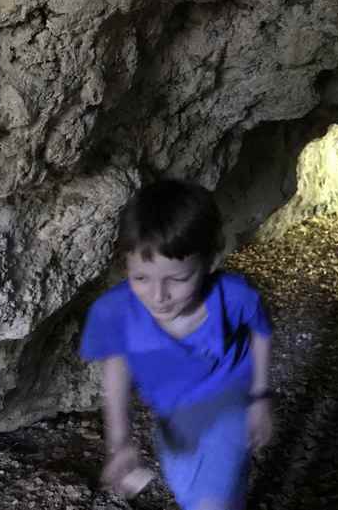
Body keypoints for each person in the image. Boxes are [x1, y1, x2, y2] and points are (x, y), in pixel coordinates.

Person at [79, 179, 274, 510]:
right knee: (190, 492)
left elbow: (261, 333)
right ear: (126, 263)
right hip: (172, 418)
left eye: (178, 279)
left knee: (209, 500)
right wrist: (120, 443)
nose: (158, 296)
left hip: (227, 403)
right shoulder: (116, 313)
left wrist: (259, 397)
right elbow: (116, 373)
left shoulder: (234, 296)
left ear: (210, 262)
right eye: (141, 278)